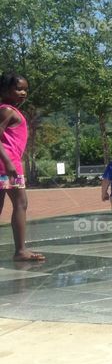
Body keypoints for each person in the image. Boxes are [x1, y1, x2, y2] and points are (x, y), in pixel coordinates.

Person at [0, 74, 43, 262]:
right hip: (7, 164)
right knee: (21, 203)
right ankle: (20, 250)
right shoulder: (6, 110)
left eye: (25, 89)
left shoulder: (9, 110)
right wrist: (8, 163)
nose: (23, 92)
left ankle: (20, 250)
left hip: (8, 163)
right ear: (5, 90)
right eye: (19, 89)